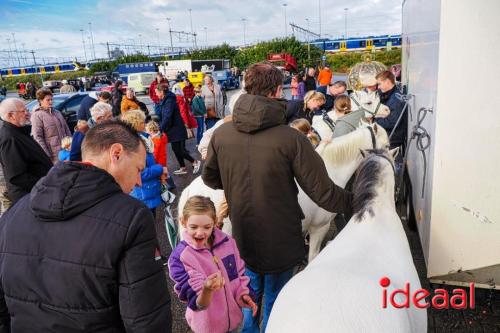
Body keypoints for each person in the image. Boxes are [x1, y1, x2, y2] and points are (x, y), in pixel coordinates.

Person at [202, 62, 353, 333]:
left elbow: (209, 178)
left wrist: (237, 185)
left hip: (243, 232)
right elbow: (324, 193)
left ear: (247, 87)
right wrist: (361, 202)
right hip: (280, 237)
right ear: (275, 91)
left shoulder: (222, 133)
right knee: (276, 299)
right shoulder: (291, 139)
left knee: (248, 295)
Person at [0, 120, 172, 332]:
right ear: (116, 153)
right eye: (138, 169)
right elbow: (146, 318)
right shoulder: (132, 217)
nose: (138, 181)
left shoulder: (14, 213)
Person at [169, 195, 257, 333]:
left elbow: (239, 274)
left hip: (233, 322)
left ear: (215, 222)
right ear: (183, 222)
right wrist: (207, 289)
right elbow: (198, 304)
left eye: (207, 227)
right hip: (208, 328)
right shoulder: (180, 258)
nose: (200, 233)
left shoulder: (228, 242)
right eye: (194, 227)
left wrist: (244, 294)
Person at [0, 98, 52, 205]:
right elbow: (17, 176)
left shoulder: (19, 131)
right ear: (11, 115)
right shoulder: (10, 138)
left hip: (36, 192)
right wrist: (44, 185)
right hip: (28, 196)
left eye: (27, 110)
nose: (28, 114)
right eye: (23, 111)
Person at [121, 110, 168, 216]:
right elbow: (139, 173)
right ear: (135, 124)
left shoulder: (141, 139)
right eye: (142, 122)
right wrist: (160, 168)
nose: (145, 124)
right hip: (143, 193)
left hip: (146, 191)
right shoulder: (135, 144)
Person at [157, 85, 200, 175]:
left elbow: (167, 116)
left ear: (161, 92)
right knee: (175, 149)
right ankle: (183, 167)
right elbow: (162, 114)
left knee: (180, 150)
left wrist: (160, 129)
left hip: (177, 128)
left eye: (157, 92)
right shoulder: (164, 100)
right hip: (172, 129)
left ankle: (195, 162)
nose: (156, 94)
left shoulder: (169, 100)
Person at [31, 88, 72, 163]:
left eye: (51, 99)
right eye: (48, 100)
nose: (51, 102)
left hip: (66, 152)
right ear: (40, 101)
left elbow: (67, 129)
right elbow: (38, 137)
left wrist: (71, 144)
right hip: (53, 155)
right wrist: (46, 154)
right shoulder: (37, 115)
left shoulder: (57, 112)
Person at [375, 70, 406, 149]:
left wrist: (373, 120)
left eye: (379, 84)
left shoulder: (396, 99)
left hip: (393, 137)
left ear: (388, 82)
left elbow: (392, 122)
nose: (378, 87)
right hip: (387, 132)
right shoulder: (387, 94)